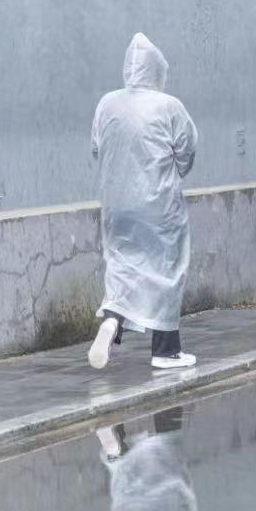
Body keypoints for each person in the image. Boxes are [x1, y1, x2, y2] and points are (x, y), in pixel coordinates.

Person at [88, 34, 199, 371]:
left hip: (116, 206)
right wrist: (173, 174)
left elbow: (97, 148)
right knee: (167, 270)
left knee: (123, 267)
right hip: (158, 205)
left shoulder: (107, 103)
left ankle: (112, 320)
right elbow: (186, 150)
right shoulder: (168, 106)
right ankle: (166, 350)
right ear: (157, 70)